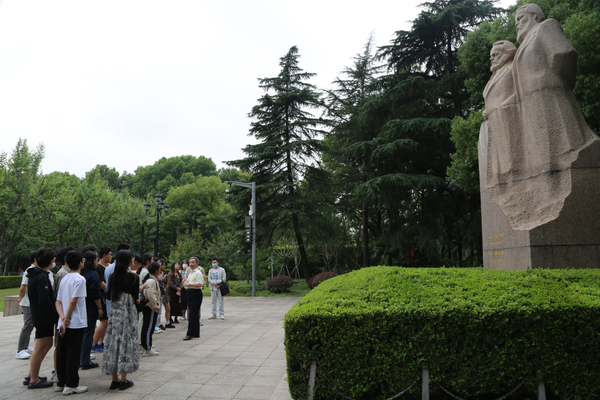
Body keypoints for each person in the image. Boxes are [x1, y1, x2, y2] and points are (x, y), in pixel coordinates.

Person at [102, 250, 139, 391]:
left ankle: (114, 380)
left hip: (115, 313)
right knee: (126, 341)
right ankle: (124, 381)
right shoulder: (133, 277)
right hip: (128, 313)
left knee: (113, 341)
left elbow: (109, 294)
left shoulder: (112, 275)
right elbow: (135, 297)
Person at [55, 251, 88, 395]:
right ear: (80, 263)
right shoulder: (80, 279)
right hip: (75, 322)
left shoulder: (64, 278)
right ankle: (71, 384)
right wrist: (67, 319)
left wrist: (62, 318)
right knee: (73, 353)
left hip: (63, 321)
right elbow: (73, 302)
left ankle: (61, 382)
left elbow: (58, 301)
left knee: (62, 352)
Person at [26, 248, 57, 389]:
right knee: (39, 348)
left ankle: (31, 375)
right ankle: (33, 379)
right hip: (43, 316)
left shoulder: (35, 274)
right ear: (51, 261)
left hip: (41, 316)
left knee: (47, 343)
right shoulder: (41, 277)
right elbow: (44, 299)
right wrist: (55, 312)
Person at [15, 250, 40, 360]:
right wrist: (20, 299)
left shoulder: (36, 270)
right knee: (28, 324)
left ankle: (25, 346)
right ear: (35, 259)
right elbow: (23, 287)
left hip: (31, 302)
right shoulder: (29, 271)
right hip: (27, 302)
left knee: (30, 325)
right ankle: (20, 350)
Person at [80, 251, 103, 369]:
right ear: (94, 260)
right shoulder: (93, 274)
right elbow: (95, 293)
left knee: (83, 334)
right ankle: (85, 361)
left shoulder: (81, 273)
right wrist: (99, 307)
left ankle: (81, 358)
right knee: (88, 334)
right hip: (91, 308)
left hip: (81, 308)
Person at [92, 247, 111, 353]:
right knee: (104, 321)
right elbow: (101, 284)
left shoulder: (106, 267)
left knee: (106, 322)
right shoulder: (98, 268)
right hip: (102, 297)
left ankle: (100, 342)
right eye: (110, 254)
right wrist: (111, 290)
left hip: (106, 298)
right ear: (104, 255)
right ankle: (93, 344)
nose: (111, 256)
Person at [141, 262, 161, 356]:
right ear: (156, 270)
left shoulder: (152, 279)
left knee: (148, 327)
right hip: (150, 307)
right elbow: (150, 295)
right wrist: (155, 305)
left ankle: (146, 346)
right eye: (159, 269)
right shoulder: (151, 281)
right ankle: (147, 348)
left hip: (151, 306)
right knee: (149, 328)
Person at [182, 257, 204, 340]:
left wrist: (190, 284)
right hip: (189, 292)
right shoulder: (190, 272)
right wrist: (185, 283)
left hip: (195, 293)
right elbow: (189, 283)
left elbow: (200, 284)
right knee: (193, 313)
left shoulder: (198, 273)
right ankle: (195, 333)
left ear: (197, 263)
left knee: (192, 314)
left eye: (193, 262)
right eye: (190, 262)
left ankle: (190, 333)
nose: (191, 264)